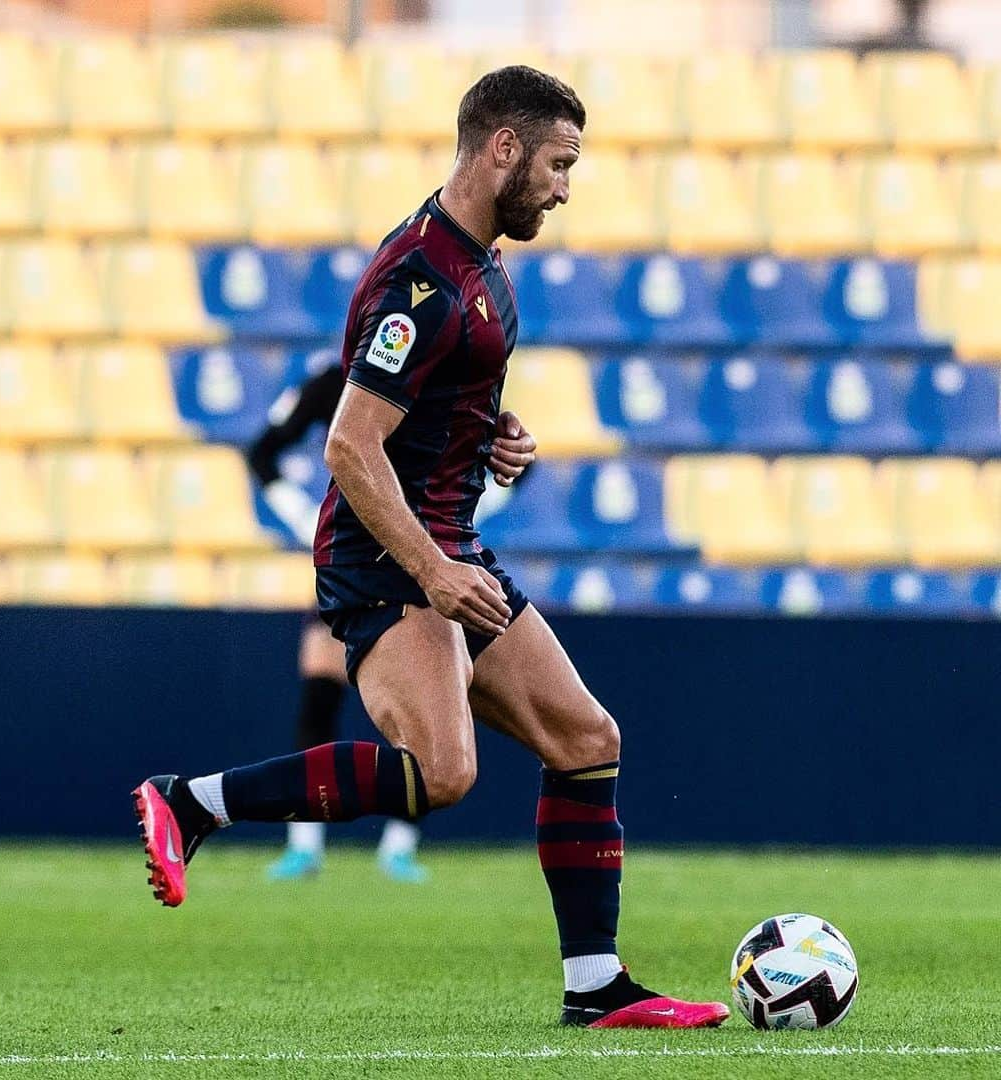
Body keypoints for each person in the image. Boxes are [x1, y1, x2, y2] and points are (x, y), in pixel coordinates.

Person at [133, 65, 729, 1030]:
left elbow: (432, 409)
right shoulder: (425, 281)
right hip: (387, 556)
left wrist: (494, 434)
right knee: (442, 775)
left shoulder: (481, 271)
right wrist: (434, 573)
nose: (565, 188)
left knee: (587, 741)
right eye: (558, 164)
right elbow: (349, 445)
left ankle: (596, 987)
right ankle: (192, 802)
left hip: (447, 546)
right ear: (503, 148)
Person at [244, 364, 429, 883]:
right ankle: (305, 843)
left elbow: (515, 461)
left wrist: (465, 516)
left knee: (417, 712)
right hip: (347, 559)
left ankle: (399, 844)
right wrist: (306, 518)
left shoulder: (436, 378)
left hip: (417, 562)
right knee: (320, 698)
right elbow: (261, 452)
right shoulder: (333, 382)